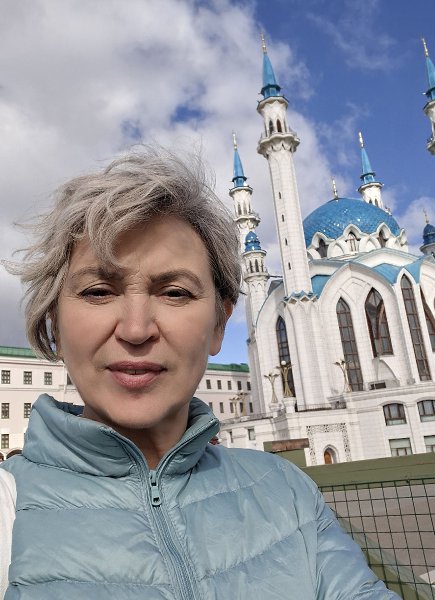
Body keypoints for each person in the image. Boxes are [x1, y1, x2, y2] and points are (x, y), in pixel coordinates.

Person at [0, 147, 399, 599]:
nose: (136, 329)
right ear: (54, 322)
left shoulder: (286, 492)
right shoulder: (9, 509)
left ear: (219, 325)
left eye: (174, 292)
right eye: (98, 291)